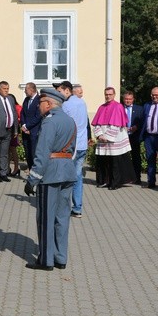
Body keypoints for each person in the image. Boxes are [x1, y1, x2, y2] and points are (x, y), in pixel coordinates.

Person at [23, 88, 77, 271]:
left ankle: (46, 260)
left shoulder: (49, 122)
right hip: (68, 171)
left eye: (40, 103)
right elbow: (73, 149)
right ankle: (60, 257)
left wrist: (32, 179)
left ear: (48, 103)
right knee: (62, 217)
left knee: (46, 217)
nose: (39, 106)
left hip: (51, 174)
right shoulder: (70, 121)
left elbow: (42, 153)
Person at [92, 87, 135, 190]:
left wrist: (108, 137)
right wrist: (100, 135)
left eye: (110, 94)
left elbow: (116, 124)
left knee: (114, 162)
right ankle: (104, 181)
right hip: (103, 138)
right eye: (106, 94)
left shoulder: (118, 106)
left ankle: (114, 183)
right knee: (103, 161)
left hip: (114, 139)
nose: (108, 96)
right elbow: (96, 124)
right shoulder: (101, 107)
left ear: (114, 95)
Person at [56, 80, 88, 218]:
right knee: (78, 176)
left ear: (67, 91)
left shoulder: (66, 105)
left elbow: (64, 125)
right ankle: (77, 207)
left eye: (60, 91)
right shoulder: (82, 102)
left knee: (68, 177)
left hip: (72, 146)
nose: (59, 94)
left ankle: (64, 205)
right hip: (82, 145)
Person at [0, 81, 18, 181]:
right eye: (4, 89)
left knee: (4, 153)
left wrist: (15, 129)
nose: (6, 91)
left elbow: (14, 114)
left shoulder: (10, 99)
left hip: (8, 130)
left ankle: (3, 173)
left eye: (7, 89)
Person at [123, 90, 145, 181]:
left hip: (134, 136)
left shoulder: (140, 109)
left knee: (136, 157)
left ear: (133, 99)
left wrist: (137, 126)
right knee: (123, 158)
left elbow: (143, 121)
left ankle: (137, 177)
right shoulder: (119, 108)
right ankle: (124, 177)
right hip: (123, 136)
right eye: (126, 99)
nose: (127, 101)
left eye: (129, 99)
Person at [20, 82, 41, 171]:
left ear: (31, 90)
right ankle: (30, 171)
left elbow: (38, 116)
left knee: (34, 153)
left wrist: (28, 126)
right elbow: (22, 113)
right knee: (27, 153)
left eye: (26, 90)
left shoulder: (39, 100)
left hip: (34, 131)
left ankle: (35, 173)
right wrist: (24, 126)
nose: (24, 91)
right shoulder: (26, 100)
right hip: (25, 132)